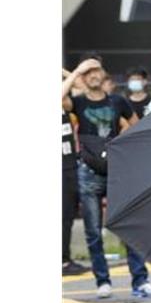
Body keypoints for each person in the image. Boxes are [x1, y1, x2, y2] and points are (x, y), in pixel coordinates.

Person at [62, 57, 151, 298]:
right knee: (93, 231)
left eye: (97, 70)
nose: (94, 74)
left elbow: (137, 126)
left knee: (129, 226)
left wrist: (125, 145)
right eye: (90, 71)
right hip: (88, 172)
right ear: (84, 79)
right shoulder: (77, 102)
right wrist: (76, 71)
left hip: (117, 170)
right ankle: (102, 281)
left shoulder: (117, 101)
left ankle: (140, 281)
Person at [61, 105, 88, 276]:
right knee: (62, 216)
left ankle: (65, 258)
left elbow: (79, 86)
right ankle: (62, 261)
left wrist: (70, 76)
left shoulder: (65, 105)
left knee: (68, 216)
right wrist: (74, 75)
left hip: (70, 165)